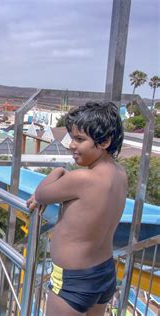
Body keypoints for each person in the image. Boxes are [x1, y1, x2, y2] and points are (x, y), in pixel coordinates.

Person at [27, 101, 127, 316]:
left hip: (74, 279)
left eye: (80, 139)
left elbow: (43, 194)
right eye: (72, 137)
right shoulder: (120, 174)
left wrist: (59, 172)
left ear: (105, 141)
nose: (72, 145)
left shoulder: (82, 178)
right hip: (103, 271)